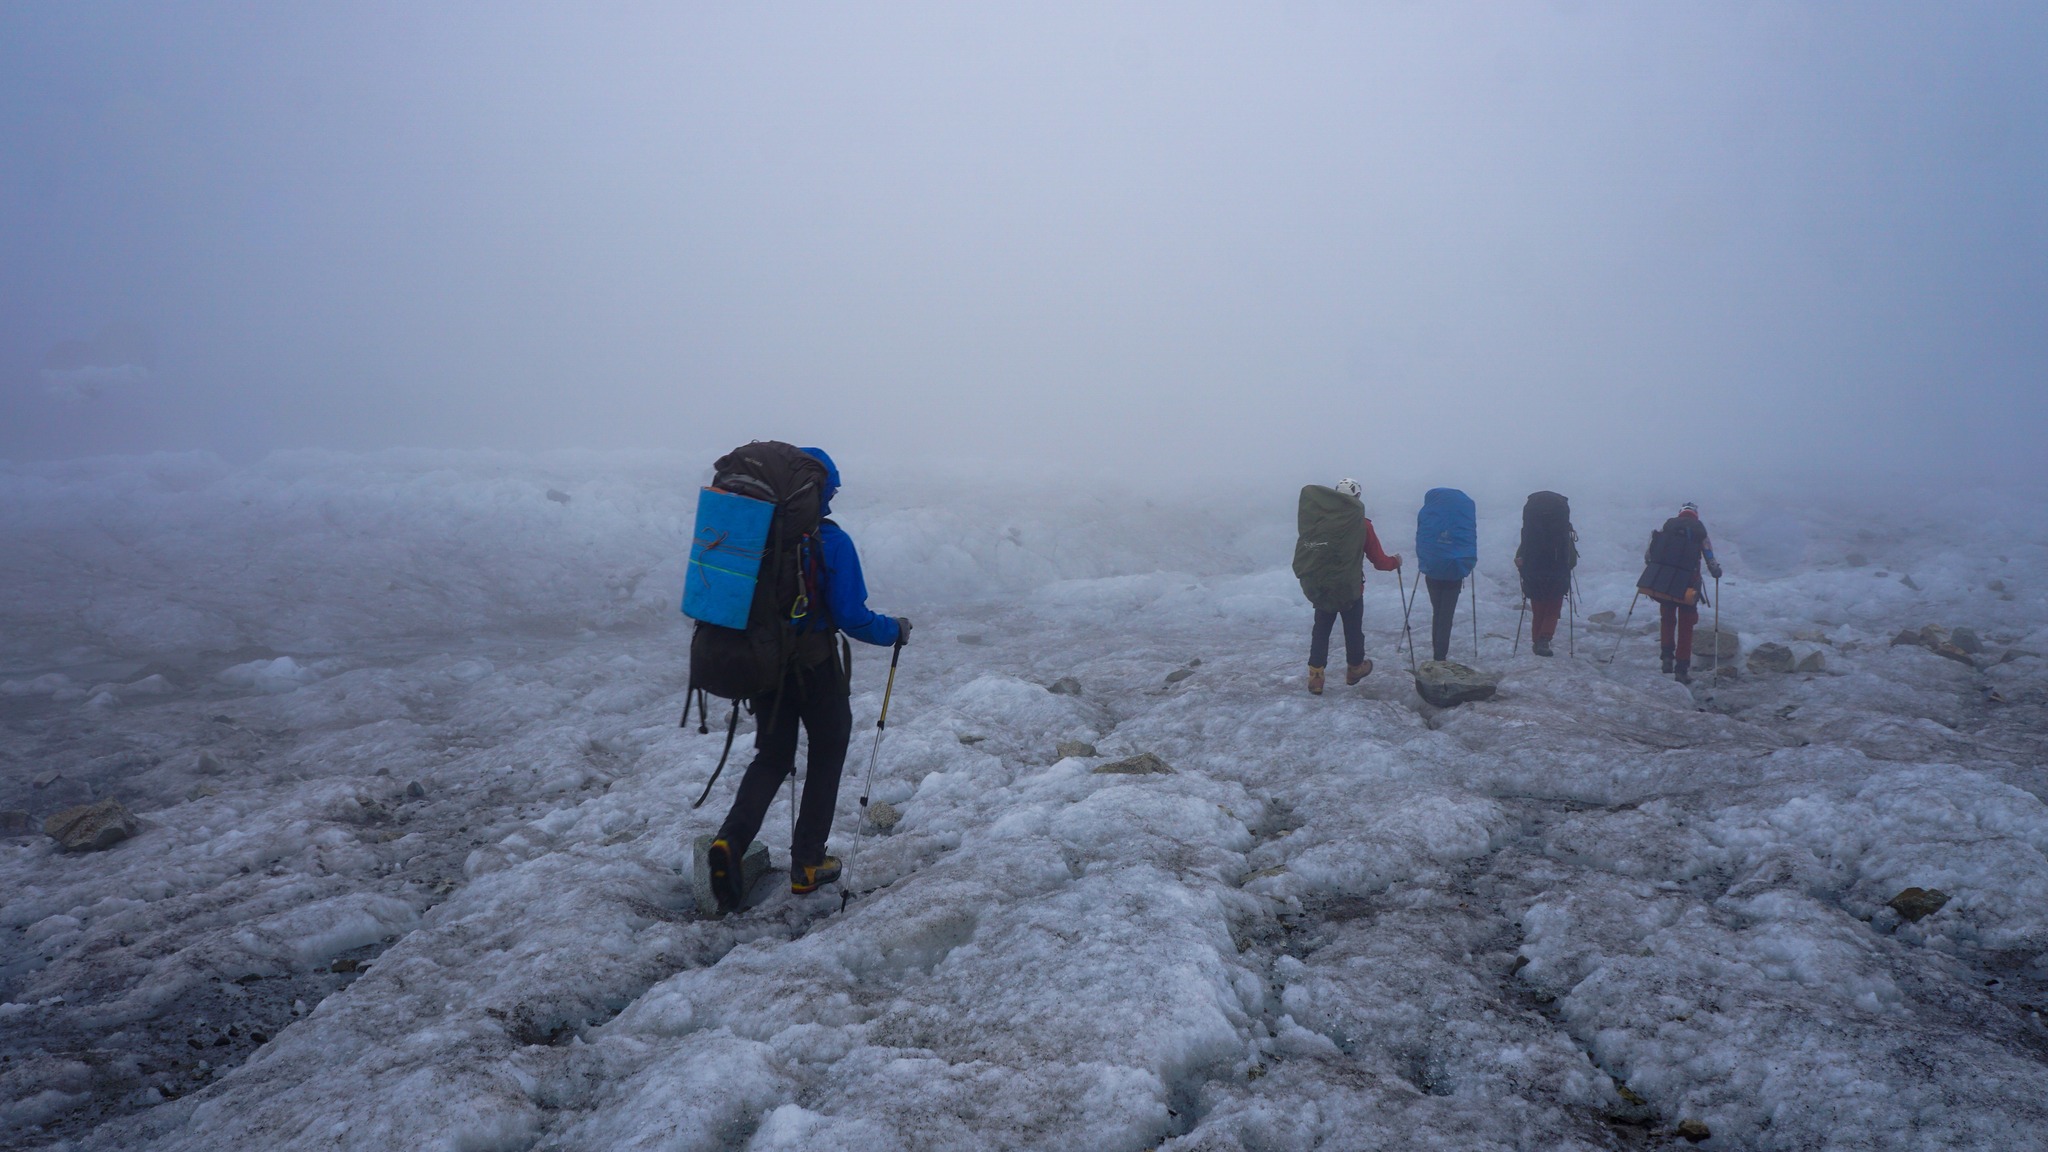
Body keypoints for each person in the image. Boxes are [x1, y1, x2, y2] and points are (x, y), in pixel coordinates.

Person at [707, 447, 909, 910]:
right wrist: (895, 629)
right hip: (816, 666)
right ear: (821, 490)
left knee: (772, 757)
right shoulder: (830, 541)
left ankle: (730, 844)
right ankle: (808, 863)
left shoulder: (755, 536)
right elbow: (852, 617)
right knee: (827, 748)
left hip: (763, 666)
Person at [1294, 478, 1403, 694]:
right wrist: (1395, 562)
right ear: (1358, 498)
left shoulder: (1319, 522)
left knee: (1321, 629)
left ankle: (1316, 677)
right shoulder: (1363, 525)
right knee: (1353, 629)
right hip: (1349, 588)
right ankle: (1354, 669)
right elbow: (1379, 561)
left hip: (1322, 586)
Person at [1636, 501, 1722, 684]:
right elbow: (1709, 556)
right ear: (1695, 515)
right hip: (1688, 585)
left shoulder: (1668, 526)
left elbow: (1649, 555)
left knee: (1667, 619)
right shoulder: (1700, 530)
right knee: (1686, 625)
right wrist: (1716, 571)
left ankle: (1666, 658)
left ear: (1680, 513)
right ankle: (1681, 670)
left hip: (1665, 582)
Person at [1415, 488, 1477, 662]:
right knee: (1446, 614)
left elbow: (1422, 537)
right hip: (1454, 571)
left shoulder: (1428, 512)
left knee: (1438, 611)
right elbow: (1469, 538)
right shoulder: (1462, 516)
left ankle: (1438, 649)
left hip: (1433, 569)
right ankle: (1440, 654)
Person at [1514, 491, 1578, 657]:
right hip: (1557, 573)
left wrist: (1524, 567)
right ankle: (1544, 639)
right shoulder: (1562, 533)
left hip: (1534, 573)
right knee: (1552, 609)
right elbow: (1571, 560)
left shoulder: (1531, 533)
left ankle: (1538, 641)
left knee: (1539, 608)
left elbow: (1520, 554)